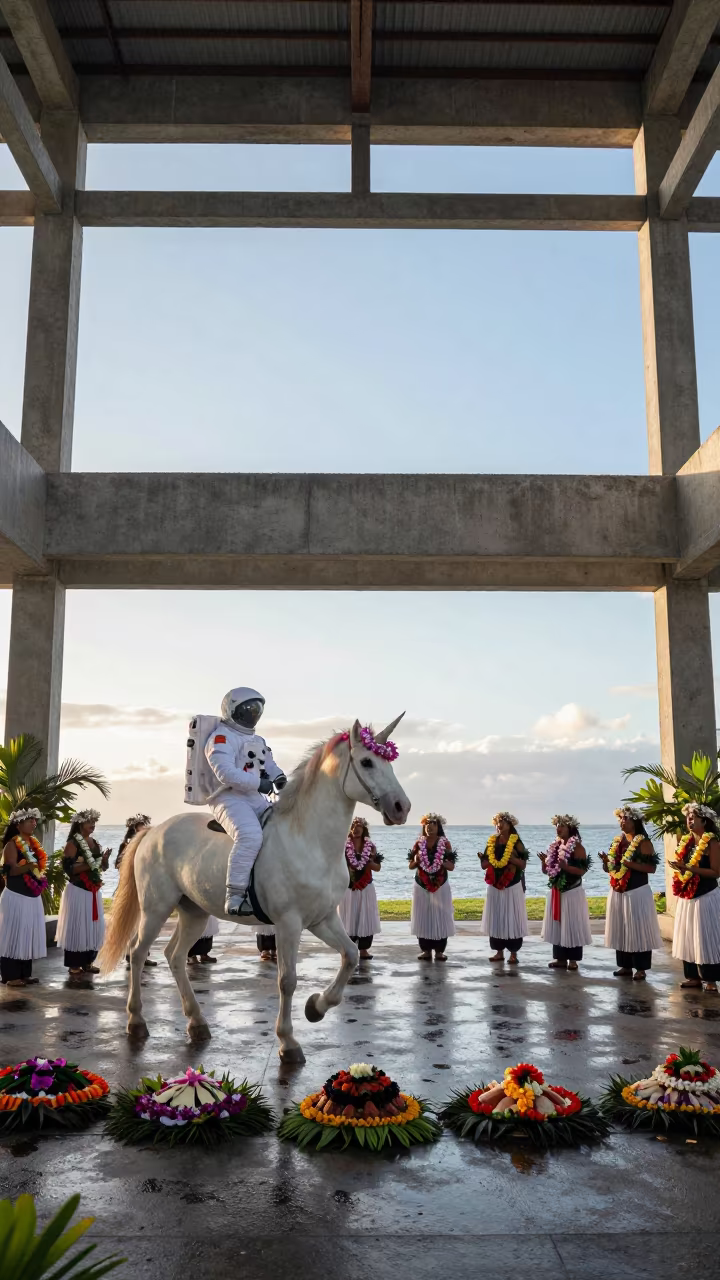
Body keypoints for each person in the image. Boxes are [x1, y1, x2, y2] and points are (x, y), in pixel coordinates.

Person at [204, 687, 287, 916]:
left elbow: (268, 764)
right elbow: (225, 773)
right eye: (248, 710)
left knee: (281, 827)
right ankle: (235, 896)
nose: (252, 714)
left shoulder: (257, 739)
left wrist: (278, 778)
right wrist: (258, 783)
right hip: (226, 796)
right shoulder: (220, 738)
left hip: (252, 796)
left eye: (256, 710)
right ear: (233, 710)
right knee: (250, 836)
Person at [600, 804, 662, 981]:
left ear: (634, 821)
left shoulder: (643, 842)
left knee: (638, 929)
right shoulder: (617, 841)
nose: (621, 821)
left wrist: (630, 865)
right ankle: (625, 966)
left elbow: (651, 868)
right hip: (618, 891)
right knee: (622, 929)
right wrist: (606, 863)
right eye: (620, 818)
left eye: (625, 818)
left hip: (637, 892)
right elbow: (611, 869)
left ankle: (641, 968)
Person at [670, 802, 720, 993]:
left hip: (706, 896)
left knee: (706, 937)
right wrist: (681, 867)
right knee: (689, 936)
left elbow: (716, 872)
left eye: (693, 816)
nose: (689, 819)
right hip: (688, 895)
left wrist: (690, 868)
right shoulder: (686, 841)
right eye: (688, 816)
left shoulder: (712, 842)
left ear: (704, 821)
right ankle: (693, 977)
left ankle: (711, 979)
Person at [57, 809, 110, 977]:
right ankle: (74, 964)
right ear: (80, 824)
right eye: (90, 822)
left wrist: (104, 861)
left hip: (93, 890)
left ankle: (88, 961)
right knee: (77, 927)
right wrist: (93, 864)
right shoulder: (73, 843)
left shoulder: (94, 842)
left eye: (94, 822)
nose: (93, 825)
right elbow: (69, 869)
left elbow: (102, 868)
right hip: (78, 890)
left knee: (91, 927)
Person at [0, 808, 47, 986]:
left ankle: (24, 974)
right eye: (30, 821)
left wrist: (36, 870)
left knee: (27, 934)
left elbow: (38, 868)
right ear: (18, 825)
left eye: (35, 820)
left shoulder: (34, 844)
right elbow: (11, 870)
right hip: (16, 897)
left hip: (31, 897)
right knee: (13, 934)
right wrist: (28, 866)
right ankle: (11, 976)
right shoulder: (11, 845)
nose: (34, 823)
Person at [539, 814, 592, 971]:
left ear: (570, 828)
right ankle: (560, 959)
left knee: (572, 924)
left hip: (572, 892)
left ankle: (573, 960)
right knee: (558, 925)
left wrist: (566, 867)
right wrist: (544, 863)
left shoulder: (577, 847)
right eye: (557, 825)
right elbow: (549, 872)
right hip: (557, 891)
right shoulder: (555, 847)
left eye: (562, 825)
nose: (559, 828)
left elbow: (582, 871)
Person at [479, 812, 529, 965]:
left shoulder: (517, 842)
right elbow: (483, 865)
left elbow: (523, 864)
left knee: (512, 917)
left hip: (512, 885)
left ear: (510, 825)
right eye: (497, 822)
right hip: (494, 884)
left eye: (503, 822)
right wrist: (484, 860)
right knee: (497, 918)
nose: (499, 825)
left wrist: (512, 859)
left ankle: (513, 953)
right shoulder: (492, 842)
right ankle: (498, 952)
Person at [408, 813, 456, 961]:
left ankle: (440, 951)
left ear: (438, 826)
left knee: (440, 916)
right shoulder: (418, 844)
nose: (429, 827)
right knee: (423, 916)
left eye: (433, 824)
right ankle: (426, 950)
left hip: (440, 885)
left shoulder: (445, 844)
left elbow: (451, 866)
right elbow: (411, 866)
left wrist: (441, 862)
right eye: (427, 824)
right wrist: (416, 860)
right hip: (421, 885)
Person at [338, 817, 383, 960]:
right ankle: (348, 949)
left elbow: (378, 868)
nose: (356, 829)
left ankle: (364, 949)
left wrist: (369, 862)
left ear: (364, 829)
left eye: (359, 826)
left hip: (365, 888)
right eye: (353, 826)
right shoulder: (344, 847)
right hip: (349, 888)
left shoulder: (371, 847)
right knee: (348, 918)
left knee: (366, 918)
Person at [116, 814, 157, 967]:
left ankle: (143, 954)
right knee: (133, 922)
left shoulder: (147, 844)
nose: (145, 828)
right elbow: (118, 865)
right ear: (134, 829)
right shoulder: (125, 845)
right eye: (142, 826)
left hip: (144, 886)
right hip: (131, 887)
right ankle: (130, 953)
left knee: (144, 921)